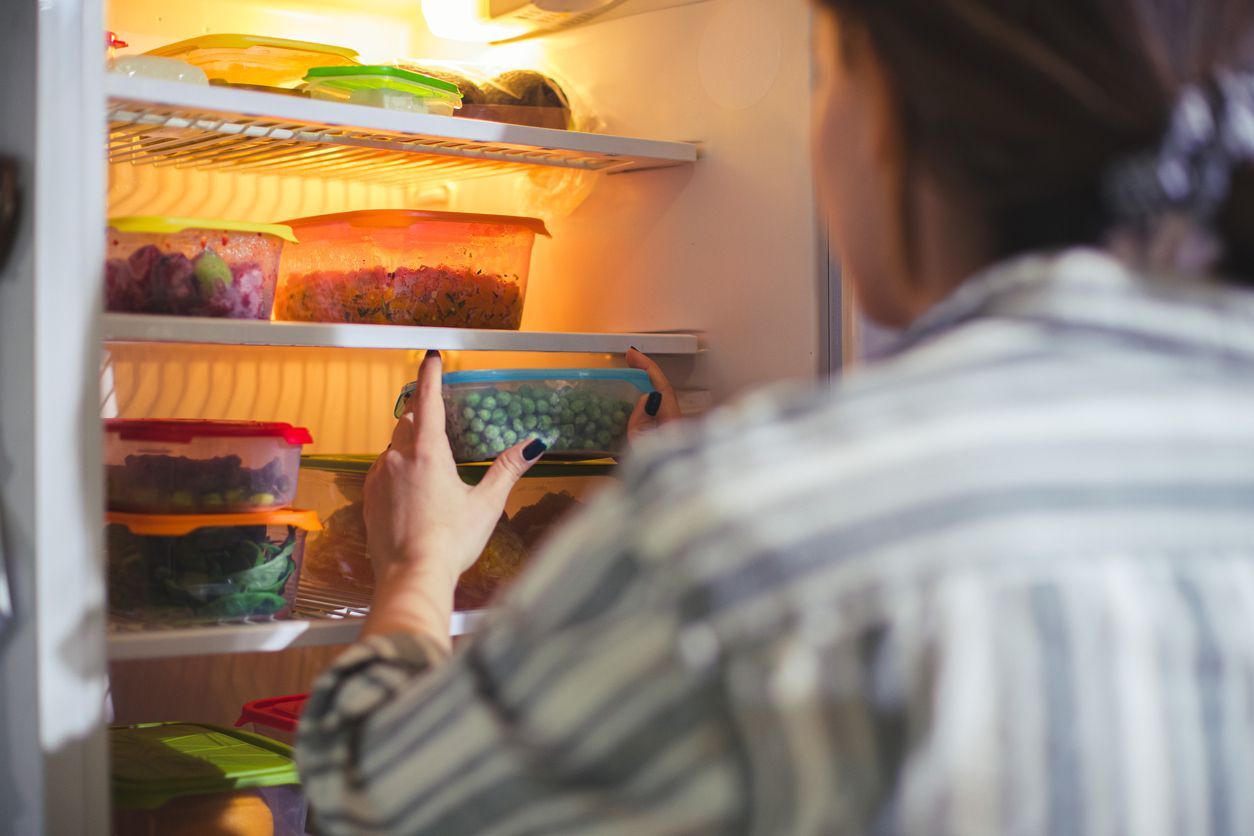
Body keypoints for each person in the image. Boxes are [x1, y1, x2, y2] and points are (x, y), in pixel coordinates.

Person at [297, 0, 1254, 832]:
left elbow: (381, 803)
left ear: (891, 123)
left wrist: (419, 567)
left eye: (830, 77)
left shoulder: (745, 526)